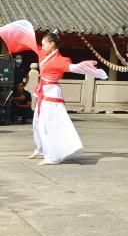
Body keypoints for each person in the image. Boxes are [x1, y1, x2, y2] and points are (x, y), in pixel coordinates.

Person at [0, 21, 107, 165]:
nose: (41, 46)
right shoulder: (43, 54)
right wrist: (8, 33)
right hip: (43, 92)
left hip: (52, 93)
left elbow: (73, 67)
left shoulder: (60, 60)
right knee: (37, 123)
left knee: (50, 123)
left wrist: (83, 66)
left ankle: (53, 155)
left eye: (44, 44)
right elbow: (29, 41)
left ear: (52, 45)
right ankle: (41, 148)